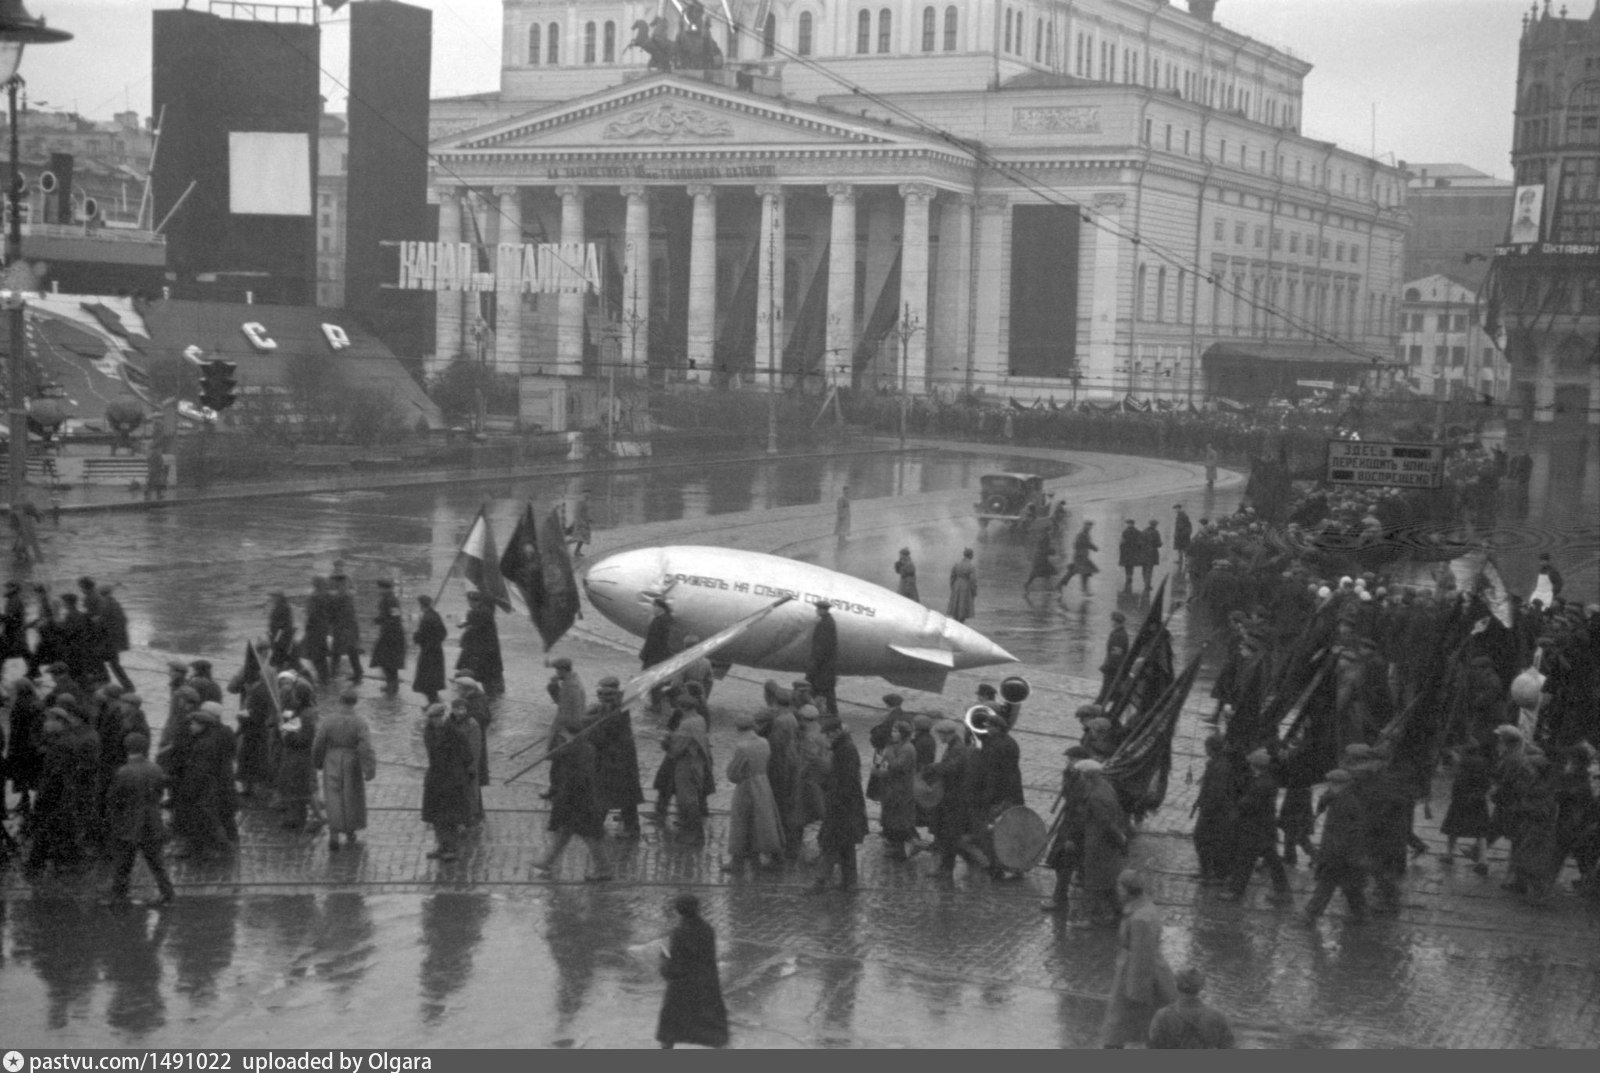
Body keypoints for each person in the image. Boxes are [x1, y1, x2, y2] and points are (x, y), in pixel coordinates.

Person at [1100, 869, 1178, 1048]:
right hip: (1137, 971)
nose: (1117, 891)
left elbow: (1142, 956)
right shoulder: (1143, 909)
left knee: (1120, 1021)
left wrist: (1137, 990)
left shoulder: (1140, 919)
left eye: (1120, 887)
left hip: (1133, 975)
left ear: (1127, 889)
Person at [533, 712, 613, 882]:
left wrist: (562, 795)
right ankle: (546, 862)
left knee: (590, 836)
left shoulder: (581, 750)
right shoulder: (575, 747)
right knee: (565, 832)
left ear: (567, 733)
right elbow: (553, 757)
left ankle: (604, 869)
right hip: (572, 799)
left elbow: (577, 778)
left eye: (562, 734)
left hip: (578, 800)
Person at [101, 732, 176, 909]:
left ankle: (118, 895)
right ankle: (168, 894)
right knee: (156, 862)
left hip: (130, 822)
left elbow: (114, 799)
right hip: (152, 821)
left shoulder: (124, 771)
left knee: (124, 862)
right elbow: (159, 794)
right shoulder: (156, 769)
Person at [654, 894, 729, 1049]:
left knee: (671, 1026)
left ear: (679, 911)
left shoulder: (679, 933)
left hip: (682, 988)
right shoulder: (708, 930)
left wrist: (663, 961)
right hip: (706, 985)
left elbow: (674, 967)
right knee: (712, 1025)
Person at [1299, 769, 1370, 925]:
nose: (1328, 786)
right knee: (1352, 887)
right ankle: (1361, 915)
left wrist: (1331, 855)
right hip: (1347, 853)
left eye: (1331, 783)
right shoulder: (1342, 799)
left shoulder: (1343, 804)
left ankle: (1310, 915)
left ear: (1336, 784)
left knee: (1327, 884)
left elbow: (1340, 833)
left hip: (1339, 853)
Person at [1221, 748, 1291, 904]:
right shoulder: (1265, 779)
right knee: (1271, 861)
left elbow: (1247, 804)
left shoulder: (1261, 784)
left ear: (1254, 765)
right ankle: (1283, 891)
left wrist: (1233, 810)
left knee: (1246, 860)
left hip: (1256, 829)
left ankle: (1236, 891)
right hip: (1264, 829)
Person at [313, 689, 377, 852]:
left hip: (332, 759)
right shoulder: (360, 722)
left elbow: (319, 743)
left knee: (333, 796)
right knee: (351, 796)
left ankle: (334, 834)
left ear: (340, 701)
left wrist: (318, 762)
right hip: (351, 761)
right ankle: (350, 831)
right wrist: (369, 768)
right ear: (355, 702)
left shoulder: (329, 721)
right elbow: (365, 746)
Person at [810, 717, 868, 893]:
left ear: (836, 732)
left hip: (842, 805)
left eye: (829, 734)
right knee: (846, 844)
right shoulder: (843, 747)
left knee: (831, 843)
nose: (827, 738)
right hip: (847, 804)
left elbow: (845, 780)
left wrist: (832, 794)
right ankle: (850, 883)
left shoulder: (845, 750)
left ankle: (820, 882)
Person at [723, 712, 784, 873]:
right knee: (762, 820)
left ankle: (737, 861)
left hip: (746, 785)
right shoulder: (764, 742)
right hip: (763, 783)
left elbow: (733, 773)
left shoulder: (742, 746)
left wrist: (736, 776)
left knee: (741, 821)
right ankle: (761, 855)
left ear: (738, 728)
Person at [588, 677, 644, 837]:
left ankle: (626, 828)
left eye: (602, 694)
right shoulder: (616, 705)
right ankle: (627, 826)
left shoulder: (614, 710)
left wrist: (589, 732)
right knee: (622, 792)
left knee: (611, 791)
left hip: (616, 758)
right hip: (618, 756)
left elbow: (603, 734)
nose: (600, 698)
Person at [1079, 760, 1131, 926]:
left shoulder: (1095, 797)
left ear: (1087, 777)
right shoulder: (1106, 787)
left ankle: (1089, 918)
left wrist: (1120, 839)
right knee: (1108, 883)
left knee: (1093, 883)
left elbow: (1105, 824)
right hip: (1108, 846)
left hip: (1098, 845)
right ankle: (1119, 914)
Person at [421, 702, 474, 862]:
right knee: (437, 816)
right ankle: (442, 846)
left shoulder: (455, 733)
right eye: (431, 718)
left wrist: (457, 771)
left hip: (452, 780)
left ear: (442, 716)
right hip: (436, 778)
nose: (434, 721)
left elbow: (468, 756)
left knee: (450, 816)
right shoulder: (429, 731)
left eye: (436, 718)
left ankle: (451, 848)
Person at [1041, 748, 1091, 914]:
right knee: (1063, 861)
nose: (1068, 762)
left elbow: (1079, 811)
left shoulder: (1083, 783)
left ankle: (1060, 899)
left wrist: (1071, 836)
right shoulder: (1074, 777)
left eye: (1072, 759)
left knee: (1065, 861)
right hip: (1070, 824)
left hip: (1075, 828)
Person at [1147, 968, 1236, 1049]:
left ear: (1176, 986)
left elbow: (1152, 1047)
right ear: (1201, 988)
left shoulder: (1162, 1016)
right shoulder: (1218, 1016)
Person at [1192, 735, 1236, 885]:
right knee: (1207, 841)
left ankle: (1212, 873)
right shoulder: (1215, 763)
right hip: (1211, 809)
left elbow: (1217, 791)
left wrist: (1206, 806)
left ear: (1211, 748)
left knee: (1203, 840)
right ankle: (1210, 872)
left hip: (1215, 812)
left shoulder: (1220, 766)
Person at [877, 720, 919, 861]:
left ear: (903, 734)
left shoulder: (908, 748)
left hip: (903, 791)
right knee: (894, 821)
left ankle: (912, 845)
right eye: (893, 731)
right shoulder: (898, 746)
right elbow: (885, 767)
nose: (892, 734)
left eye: (896, 731)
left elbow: (896, 765)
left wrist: (887, 753)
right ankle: (898, 848)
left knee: (902, 822)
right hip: (893, 789)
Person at [456, 590, 505, 695]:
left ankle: (486, 693)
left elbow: (476, 629)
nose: (468, 603)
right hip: (489, 647)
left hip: (481, 649)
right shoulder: (485, 610)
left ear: (472, 601)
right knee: (490, 673)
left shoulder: (475, 612)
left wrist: (466, 625)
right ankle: (494, 691)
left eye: (468, 601)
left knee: (483, 674)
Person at [369, 579, 407, 693]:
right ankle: (391, 684)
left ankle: (392, 686)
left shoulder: (391, 600)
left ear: (384, 588)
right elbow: (390, 616)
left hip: (391, 635)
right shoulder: (388, 599)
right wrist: (378, 620)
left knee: (388, 662)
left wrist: (381, 621)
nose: (378, 590)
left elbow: (395, 617)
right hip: (390, 634)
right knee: (387, 661)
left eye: (380, 588)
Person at [328, 569, 364, 683]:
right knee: (349, 651)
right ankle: (357, 673)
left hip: (343, 627)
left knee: (338, 651)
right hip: (349, 627)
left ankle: (334, 673)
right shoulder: (347, 592)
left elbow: (337, 611)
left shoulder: (341, 595)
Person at [411, 595, 448, 703]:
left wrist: (416, 636)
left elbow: (420, 636)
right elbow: (443, 633)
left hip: (428, 653)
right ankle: (434, 702)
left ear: (421, 605)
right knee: (433, 681)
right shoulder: (436, 615)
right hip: (437, 652)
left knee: (426, 682)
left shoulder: (426, 618)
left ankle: (434, 704)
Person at [806, 601, 840, 716]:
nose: (816, 611)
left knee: (823, 692)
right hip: (825, 667)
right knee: (824, 692)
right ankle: (830, 714)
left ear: (823, 610)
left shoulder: (825, 624)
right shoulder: (827, 622)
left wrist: (814, 666)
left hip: (823, 667)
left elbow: (821, 647)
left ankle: (830, 715)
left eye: (818, 609)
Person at [301, 577, 333, 684]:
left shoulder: (314, 597)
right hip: (322, 628)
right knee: (320, 655)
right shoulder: (326, 595)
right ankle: (325, 677)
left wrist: (307, 624)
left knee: (316, 655)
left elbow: (311, 614)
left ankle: (323, 678)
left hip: (314, 630)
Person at [1057, 521, 1098, 596]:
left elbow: (1087, 544)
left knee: (1085, 572)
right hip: (1079, 558)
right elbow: (1078, 544)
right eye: (1089, 526)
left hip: (1083, 557)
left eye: (1091, 526)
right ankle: (1060, 585)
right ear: (1085, 526)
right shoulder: (1081, 535)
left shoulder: (1086, 534)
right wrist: (1092, 547)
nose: (1090, 528)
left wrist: (1092, 547)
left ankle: (1084, 590)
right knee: (1074, 572)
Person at [1099, 611, 1130, 700]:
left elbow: (1116, 655)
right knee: (1109, 693)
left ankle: (1095, 710)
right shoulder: (1118, 634)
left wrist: (1106, 666)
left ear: (1115, 622)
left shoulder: (1119, 636)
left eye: (1111, 620)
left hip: (1112, 670)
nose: (1110, 622)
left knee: (1106, 693)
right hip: (1113, 668)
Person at [1023, 527, 1057, 593]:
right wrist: (1051, 551)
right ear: (1047, 531)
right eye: (1050, 531)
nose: (1051, 532)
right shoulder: (1046, 538)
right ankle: (1027, 584)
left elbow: (1042, 548)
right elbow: (1044, 549)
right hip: (1041, 559)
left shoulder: (1044, 537)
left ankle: (1049, 586)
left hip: (1041, 558)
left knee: (1047, 571)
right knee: (1037, 573)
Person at [947, 548, 978, 623]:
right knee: (963, 607)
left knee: (956, 606)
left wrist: (953, 587)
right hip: (966, 587)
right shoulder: (971, 566)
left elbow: (952, 577)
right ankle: (961, 623)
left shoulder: (956, 564)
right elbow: (973, 580)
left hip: (956, 585)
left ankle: (955, 621)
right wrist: (974, 591)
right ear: (970, 555)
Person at [267, 590, 296, 669]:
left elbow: (282, 625)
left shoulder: (282, 607)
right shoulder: (283, 606)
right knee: (279, 655)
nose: (272, 598)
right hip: (281, 635)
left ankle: (279, 670)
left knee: (279, 655)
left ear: (279, 597)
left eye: (274, 597)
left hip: (280, 636)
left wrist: (275, 638)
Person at [1118, 520, 1143, 592]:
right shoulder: (1138, 532)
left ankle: (1128, 576)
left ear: (1129, 524)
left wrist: (1121, 548)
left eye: (1127, 523)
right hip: (1134, 551)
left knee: (1127, 564)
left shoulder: (1125, 532)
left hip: (1126, 551)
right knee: (1131, 564)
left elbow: (1122, 542)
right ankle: (1130, 576)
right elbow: (1140, 543)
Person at [568, 489, 593, 558]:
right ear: (584, 493)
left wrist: (589, 519)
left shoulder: (586, 501)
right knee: (577, 538)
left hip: (584, 523)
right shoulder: (581, 502)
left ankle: (577, 551)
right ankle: (563, 544)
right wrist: (579, 522)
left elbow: (586, 512)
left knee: (582, 538)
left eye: (589, 494)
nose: (588, 495)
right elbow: (577, 513)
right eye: (587, 493)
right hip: (580, 523)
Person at [1139, 519, 1162, 590]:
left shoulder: (1143, 531)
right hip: (1152, 553)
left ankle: (1145, 582)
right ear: (1155, 525)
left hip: (1143, 553)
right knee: (1150, 569)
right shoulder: (1156, 532)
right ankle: (1147, 584)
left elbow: (1139, 542)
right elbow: (1159, 544)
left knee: (1144, 568)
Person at [1171, 505, 1193, 572]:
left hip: (1182, 535)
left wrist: (1184, 534)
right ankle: (1180, 560)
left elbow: (1187, 525)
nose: (1175, 510)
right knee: (1179, 548)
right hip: (1179, 535)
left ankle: (1187, 561)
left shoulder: (1182, 515)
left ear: (1179, 508)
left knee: (1184, 548)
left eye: (1176, 509)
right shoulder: (1180, 514)